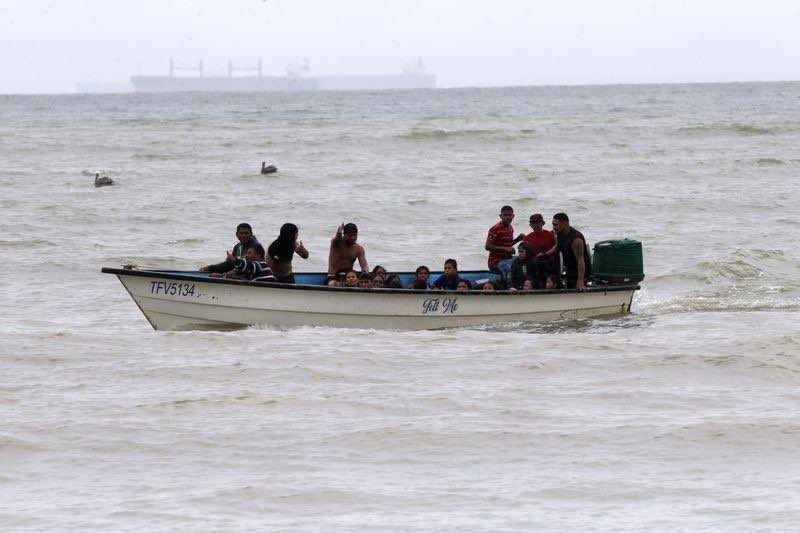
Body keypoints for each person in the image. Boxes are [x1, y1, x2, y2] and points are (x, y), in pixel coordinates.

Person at [548, 212, 593, 292]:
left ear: (565, 223)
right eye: (553, 225)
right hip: (570, 269)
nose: (554, 227)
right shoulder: (560, 233)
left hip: (581, 272)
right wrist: (545, 254)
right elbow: (557, 246)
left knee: (575, 287)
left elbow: (580, 260)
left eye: (556, 225)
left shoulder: (576, 239)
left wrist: (580, 281)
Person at [485, 205, 525, 275]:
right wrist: (506, 249)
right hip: (495, 262)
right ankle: (509, 284)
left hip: (507, 259)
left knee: (524, 260)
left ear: (513, 216)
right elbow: (488, 246)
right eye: (505, 215)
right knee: (511, 269)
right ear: (500, 216)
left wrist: (518, 239)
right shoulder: (495, 229)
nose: (507, 217)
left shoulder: (510, 228)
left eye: (509, 215)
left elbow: (507, 245)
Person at [524, 213, 557, 284]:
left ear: (543, 223)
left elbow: (556, 246)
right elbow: (525, 254)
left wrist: (546, 254)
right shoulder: (527, 238)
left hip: (550, 264)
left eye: (538, 222)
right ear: (530, 225)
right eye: (534, 222)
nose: (536, 224)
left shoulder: (550, 235)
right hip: (534, 265)